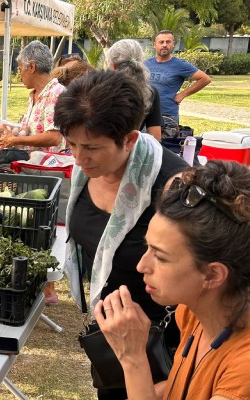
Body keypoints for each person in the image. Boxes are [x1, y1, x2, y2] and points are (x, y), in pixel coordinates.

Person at [55, 70, 189, 400]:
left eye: (90, 147)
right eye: (71, 144)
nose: (78, 157)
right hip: (111, 333)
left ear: (129, 139)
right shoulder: (86, 170)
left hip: (160, 340)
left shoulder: (176, 187)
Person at [96, 160, 250, 400]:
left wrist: (133, 359)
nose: (141, 266)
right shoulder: (191, 311)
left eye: (160, 256)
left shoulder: (243, 371)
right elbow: (180, 386)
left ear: (213, 274)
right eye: (148, 247)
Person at [0, 40, 66, 159]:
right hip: (31, 166)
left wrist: (15, 140)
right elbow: (31, 132)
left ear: (31, 67)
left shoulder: (56, 93)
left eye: (20, 69)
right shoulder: (33, 95)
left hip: (48, 169)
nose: (20, 75)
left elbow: (54, 137)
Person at [145, 30, 212, 124]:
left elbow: (205, 79)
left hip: (166, 117)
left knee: (164, 140)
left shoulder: (180, 65)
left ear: (173, 44)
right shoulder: (146, 63)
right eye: (161, 42)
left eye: (168, 42)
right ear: (155, 45)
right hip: (145, 115)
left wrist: (182, 95)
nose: (164, 45)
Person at [107, 39, 163, 141]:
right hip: (132, 151)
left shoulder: (100, 89)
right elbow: (155, 138)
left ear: (114, 66)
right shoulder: (150, 92)